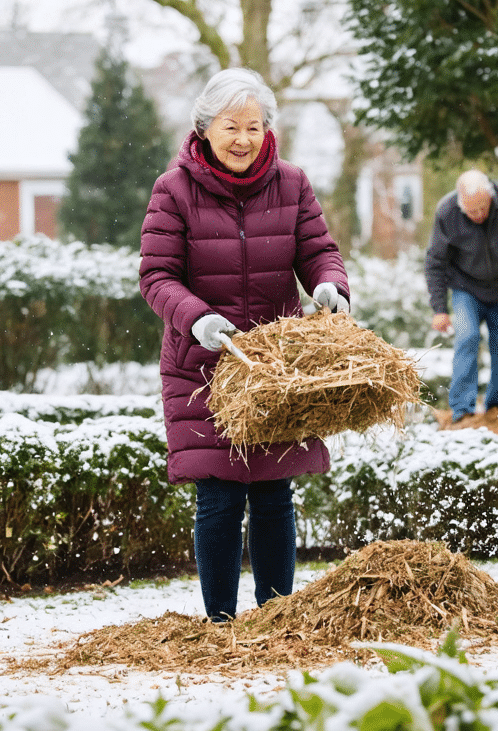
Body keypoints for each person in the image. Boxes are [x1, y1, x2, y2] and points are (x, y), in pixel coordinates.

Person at [139, 67, 350, 623]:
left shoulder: (292, 184)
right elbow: (157, 276)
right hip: (203, 366)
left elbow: (318, 252)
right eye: (231, 127)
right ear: (205, 128)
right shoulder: (173, 190)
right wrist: (197, 318)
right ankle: (220, 624)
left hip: (274, 366)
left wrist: (330, 284)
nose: (243, 139)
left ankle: (276, 618)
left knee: (274, 493)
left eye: (254, 127)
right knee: (220, 495)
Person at [426, 169, 498, 423]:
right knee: (467, 338)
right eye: (471, 211)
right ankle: (462, 410)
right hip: (466, 288)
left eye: (482, 208)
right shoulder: (447, 212)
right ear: (460, 204)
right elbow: (436, 262)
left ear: (491, 196)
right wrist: (439, 309)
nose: (478, 215)